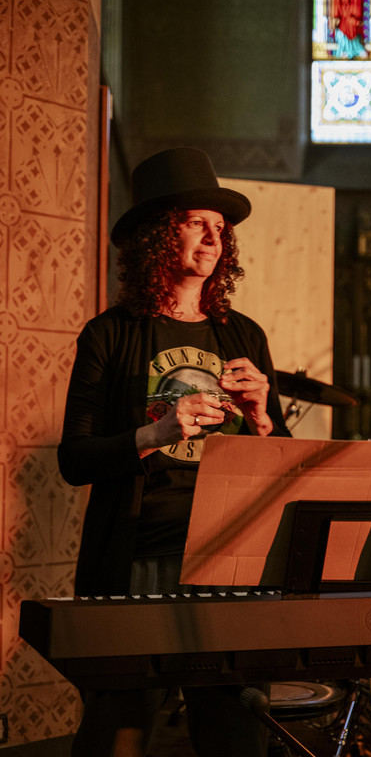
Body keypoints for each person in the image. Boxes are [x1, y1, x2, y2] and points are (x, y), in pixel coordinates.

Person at [57, 147, 291, 756]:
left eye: (220, 227)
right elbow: (74, 459)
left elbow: (284, 469)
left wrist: (263, 419)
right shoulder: (110, 334)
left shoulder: (244, 334)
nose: (214, 238)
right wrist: (154, 435)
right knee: (119, 734)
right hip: (139, 556)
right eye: (197, 222)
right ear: (160, 235)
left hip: (230, 558)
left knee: (235, 736)